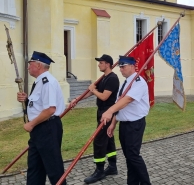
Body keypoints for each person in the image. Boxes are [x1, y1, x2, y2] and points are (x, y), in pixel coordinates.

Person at [16, 51, 66, 185]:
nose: (28, 67)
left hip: (47, 128)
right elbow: (39, 105)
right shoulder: (39, 82)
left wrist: (31, 124)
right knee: (35, 167)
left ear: (38, 66)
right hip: (40, 129)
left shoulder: (47, 82)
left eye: (30, 64)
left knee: (54, 168)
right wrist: (26, 100)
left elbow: (50, 109)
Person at [101, 56, 151, 185]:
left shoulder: (139, 82)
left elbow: (127, 100)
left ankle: (146, 183)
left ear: (132, 66)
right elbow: (121, 105)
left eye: (123, 66)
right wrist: (113, 123)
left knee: (133, 156)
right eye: (120, 67)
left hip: (135, 124)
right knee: (129, 157)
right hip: (124, 124)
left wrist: (109, 111)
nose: (121, 69)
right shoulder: (126, 82)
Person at [70, 54, 119, 184]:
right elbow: (92, 92)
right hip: (101, 111)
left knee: (99, 140)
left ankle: (99, 171)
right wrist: (77, 99)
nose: (99, 65)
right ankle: (113, 167)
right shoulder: (104, 78)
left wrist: (93, 89)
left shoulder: (112, 79)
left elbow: (103, 96)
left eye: (101, 62)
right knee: (108, 139)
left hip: (108, 113)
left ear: (107, 64)